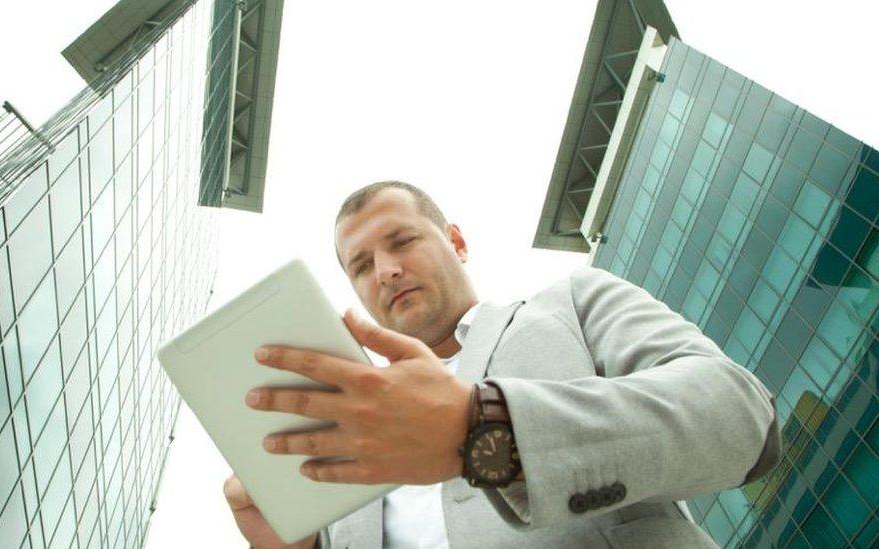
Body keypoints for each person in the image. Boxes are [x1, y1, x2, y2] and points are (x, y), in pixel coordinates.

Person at [223, 181, 781, 548]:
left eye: (402, 241)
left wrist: (485, 429)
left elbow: (739, 416)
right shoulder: (348, 442)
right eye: (362, 265)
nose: (386, 270)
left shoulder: (576, 304)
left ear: (456, 241)